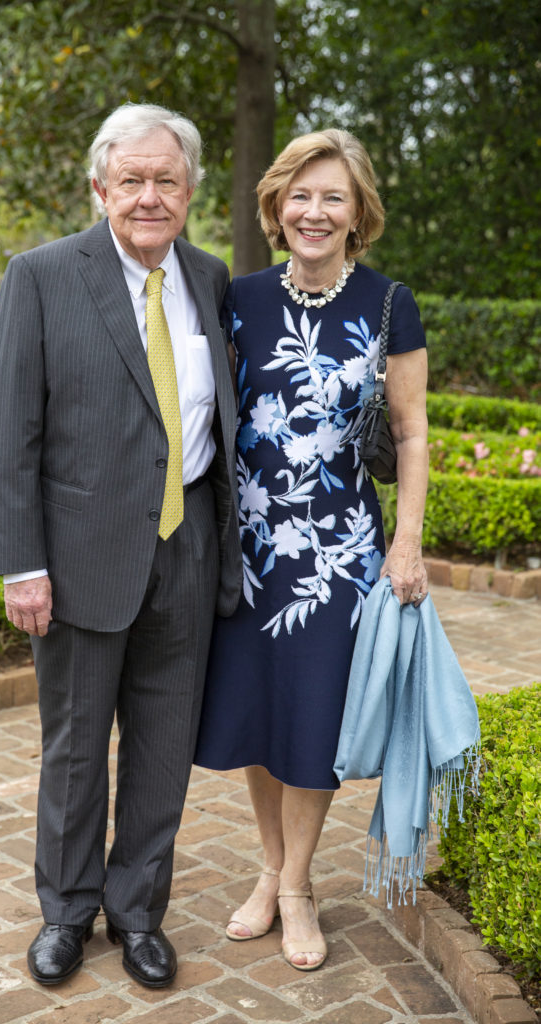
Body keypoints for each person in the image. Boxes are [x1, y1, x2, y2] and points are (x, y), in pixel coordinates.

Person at [0, 102, 242, 989]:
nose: (148, 196)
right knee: (76, 746)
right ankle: (65, 911)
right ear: (100, 186)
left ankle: (138, 913)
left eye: (166, 180)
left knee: (164, 747)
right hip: (80, 557)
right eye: (130, 179)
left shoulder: (211, 281)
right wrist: (23, 563)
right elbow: (9, 433)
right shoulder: (43, 275)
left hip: (187, 552)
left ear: (190, 190)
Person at [194, 129, 429, 971]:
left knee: (314, 719)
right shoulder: (240, 297)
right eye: (299, 194)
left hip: (337, 551)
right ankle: (270, 870)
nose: (313, 211)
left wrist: (405, 543)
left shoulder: (390, 304)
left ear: (358, 211)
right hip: (251, 549)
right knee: (261, 716)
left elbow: (409, 432)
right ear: (275, 206)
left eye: (332, 196)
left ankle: (296, 889)